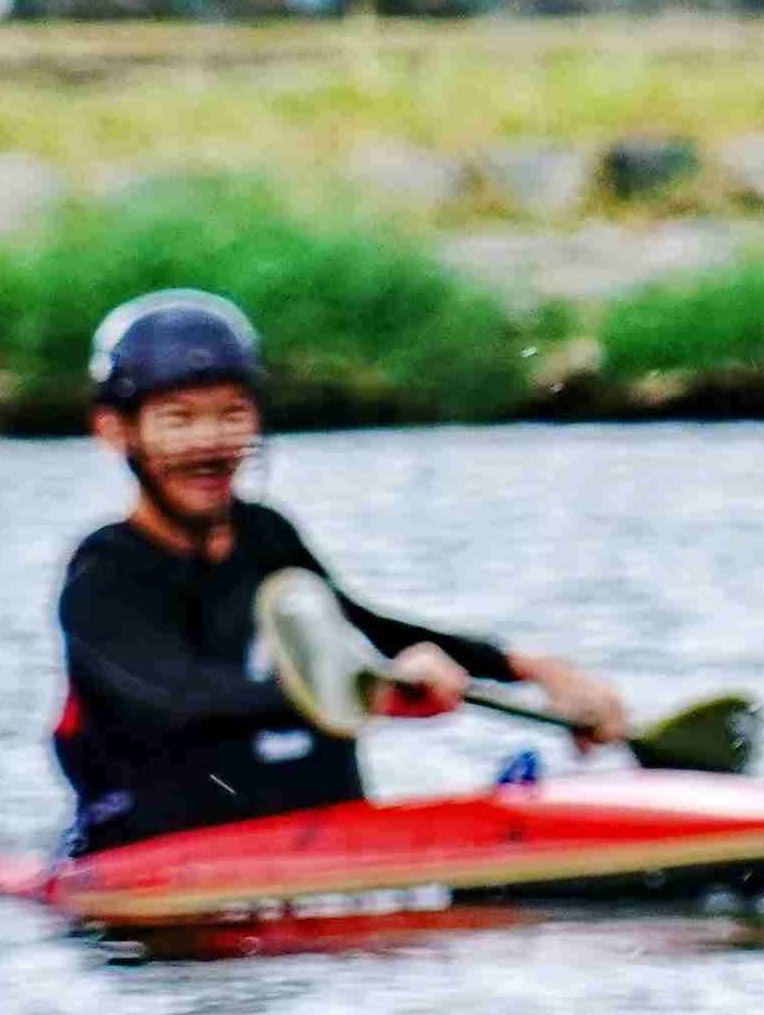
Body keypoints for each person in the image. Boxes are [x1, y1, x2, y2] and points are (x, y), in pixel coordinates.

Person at [52, 287, 628, 847]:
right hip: (156, 860)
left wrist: (535, 670)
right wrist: (376, 692)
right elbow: (185, 695)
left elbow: (366, 630)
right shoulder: (103, 577)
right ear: (115, 432)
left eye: (232, 414)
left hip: (318, 834)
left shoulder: (266, 536)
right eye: (179, 420)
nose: (210, 443)